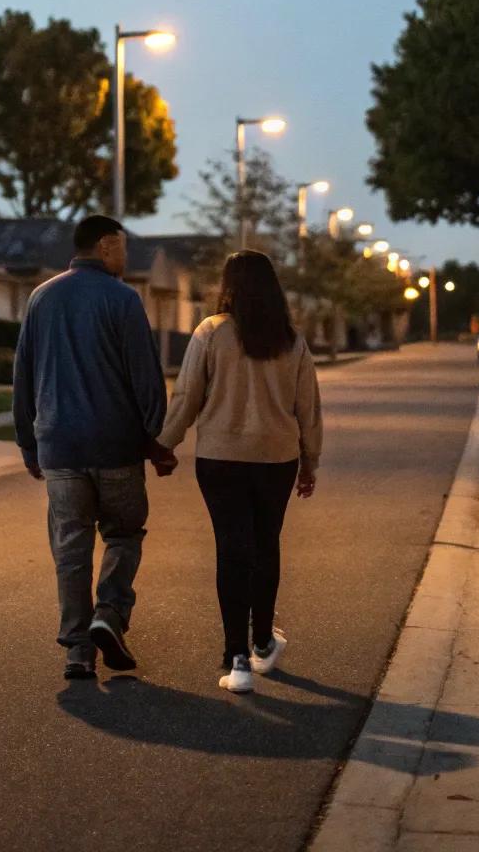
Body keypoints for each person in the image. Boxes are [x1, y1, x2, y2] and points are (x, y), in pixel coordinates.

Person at [13, 214, 177, 681]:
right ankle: (109, 611)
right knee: (124, 534)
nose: (126, 256)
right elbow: (146, 379)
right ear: (106, 246)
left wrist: (29, 441)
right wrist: (157, 441)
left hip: (60, 447)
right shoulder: (123, 300)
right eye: (122, 247)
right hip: (116, 447)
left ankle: (78, 651)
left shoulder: (41, 297)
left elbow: (23, 376)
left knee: (71, 549)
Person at [157, 249, 322, 693]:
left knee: (232, 550)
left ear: (228, 286)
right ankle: (264, 641)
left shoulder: (211, 333)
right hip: (277, 459)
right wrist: (310, 461)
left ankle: (238, 660)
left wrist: (163, 446)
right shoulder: (291, 340)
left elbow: (187, 395)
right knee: (266, 545)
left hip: (221, 458)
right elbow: (308, 410)